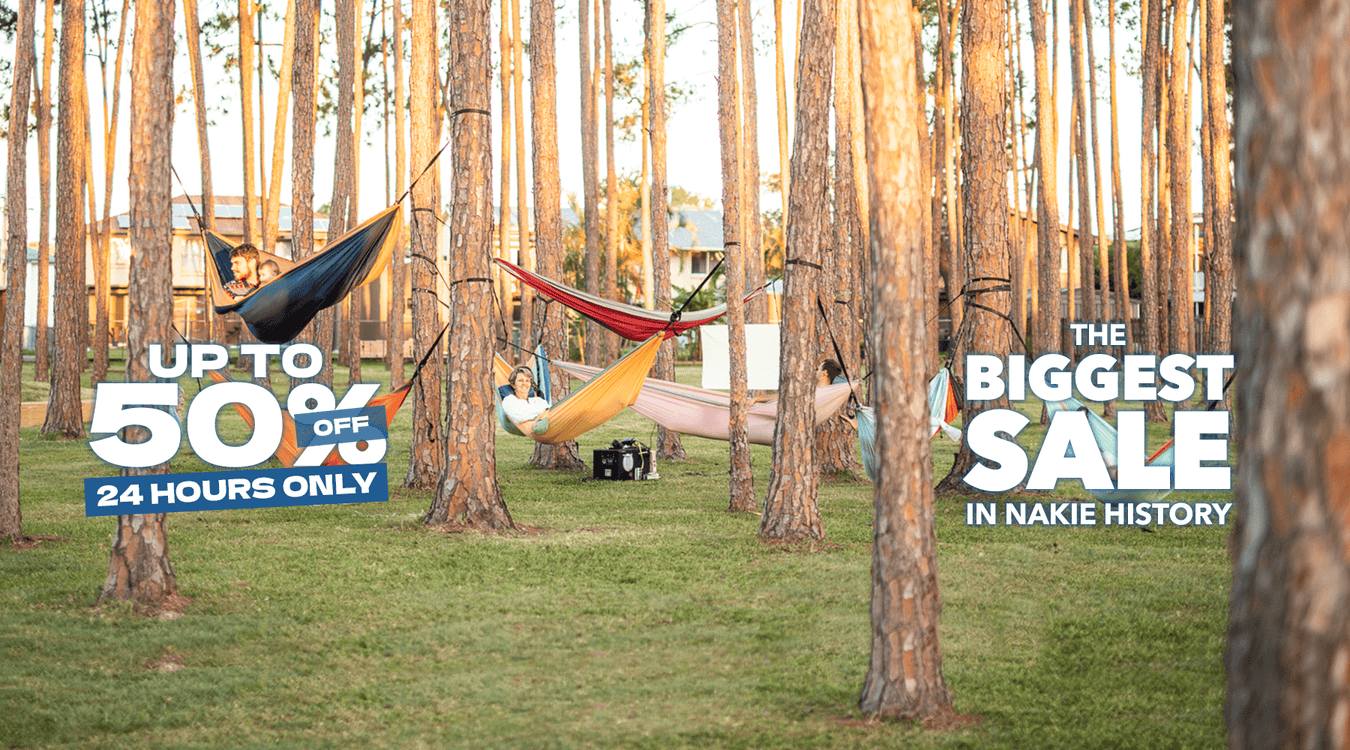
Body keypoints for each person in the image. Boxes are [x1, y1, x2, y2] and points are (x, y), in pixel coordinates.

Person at [501, 366, 550, 433]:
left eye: (527, 381)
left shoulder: (537, 400)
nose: (524, 384)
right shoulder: (509, 400)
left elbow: (549, 410)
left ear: (530, 384)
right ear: (513, 385)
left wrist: (530, 413)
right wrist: (541, 413)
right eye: (520, 380)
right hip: (525, 429)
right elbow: (519, 417)